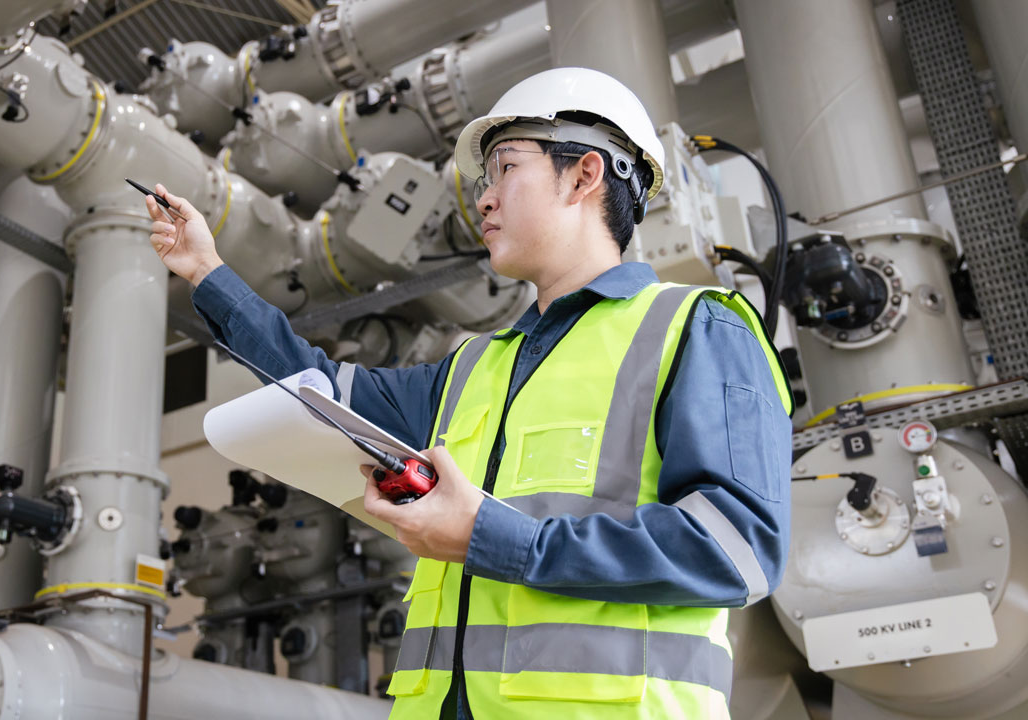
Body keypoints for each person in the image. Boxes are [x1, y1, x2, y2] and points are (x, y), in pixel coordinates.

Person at [147, 67, 792, 719]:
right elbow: (316, 391)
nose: (483, 199)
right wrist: (207, 272)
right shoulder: (473, 367)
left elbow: (738, 548)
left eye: (506, 168)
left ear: (584, 175)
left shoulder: (696, 327)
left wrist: (498, 539)